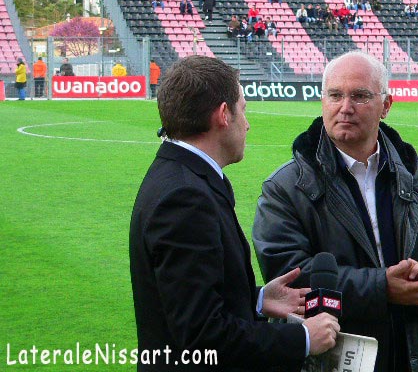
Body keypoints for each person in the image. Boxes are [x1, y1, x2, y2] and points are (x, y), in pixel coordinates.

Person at [253, 51, 418, 372]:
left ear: (386, 105)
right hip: (328, 362)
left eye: (359, 96)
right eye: (335, 95)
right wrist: (382, 287)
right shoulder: (285, 187)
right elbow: (291, 276)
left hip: (416, 359)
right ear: (322, 101)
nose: (345, 107)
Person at [130, 56, 339, 371]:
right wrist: (303, 338)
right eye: (243, 109)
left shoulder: (181, 176)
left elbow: (189, 297)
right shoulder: (185, 197)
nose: (248, 123)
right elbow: (203, 336)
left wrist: (257, 299)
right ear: (223, 115)